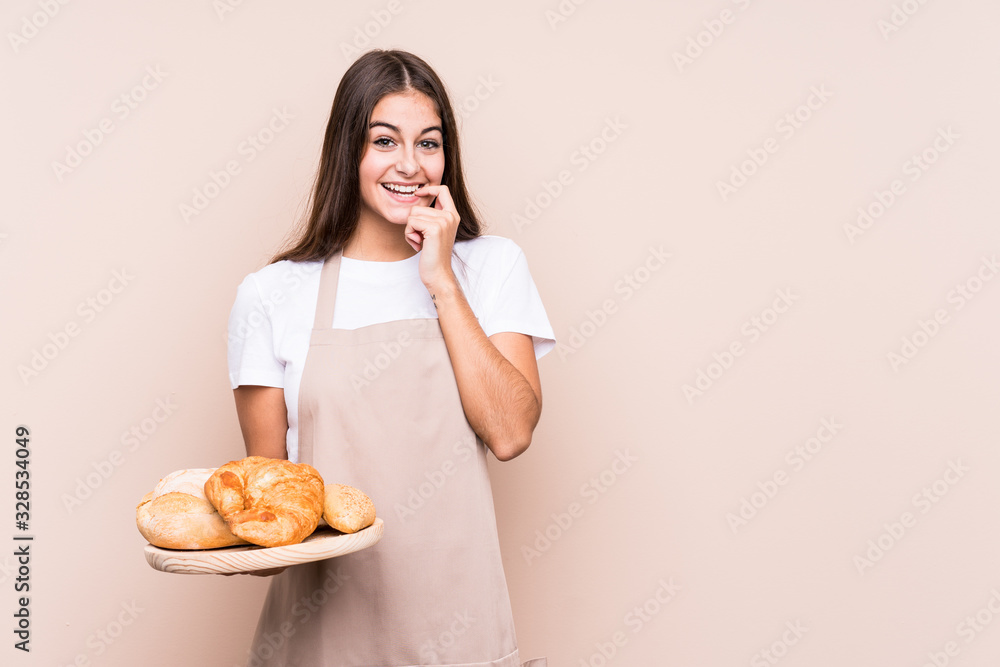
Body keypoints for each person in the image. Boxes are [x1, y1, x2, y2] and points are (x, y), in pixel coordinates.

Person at [226, 48, 554, 667]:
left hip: (460, 635)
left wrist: (442, 282)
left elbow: (510, 433)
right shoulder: (271, 295)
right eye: (384, 140)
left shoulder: (489, 268)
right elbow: (270, 502)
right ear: (347, 150)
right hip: (321, 638)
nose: (410, 165)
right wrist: (227, 545)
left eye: (428, 143)